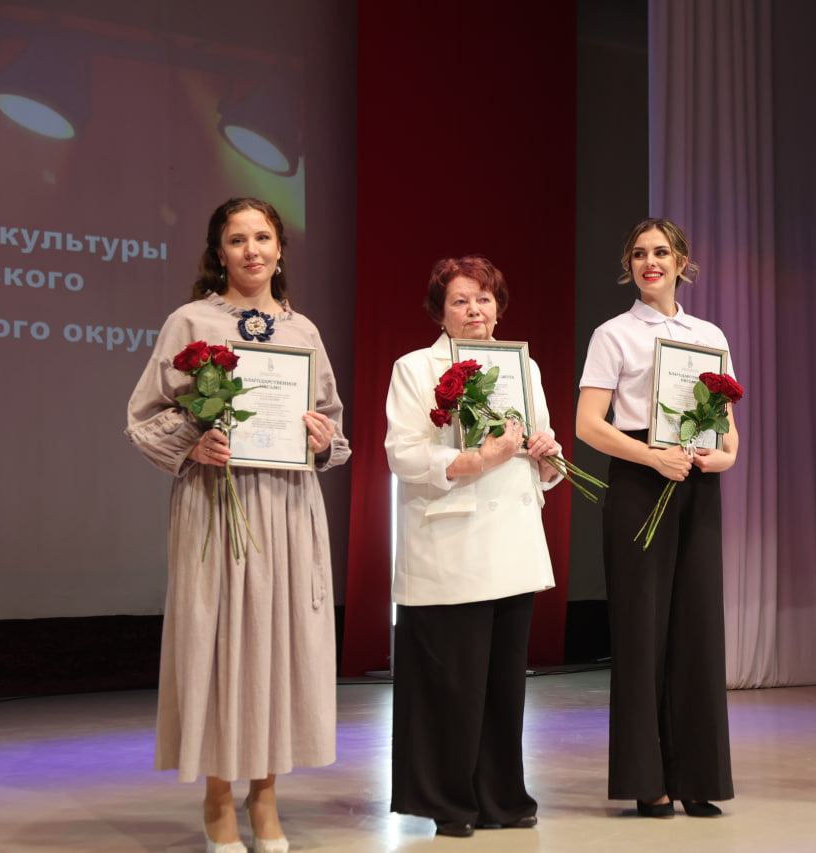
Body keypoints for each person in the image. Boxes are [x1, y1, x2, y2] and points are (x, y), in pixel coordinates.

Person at [126, 198, 351, 853]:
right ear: (218, 252)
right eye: (236, 239)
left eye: (262, 237)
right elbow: (145, 417)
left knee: (279, 643)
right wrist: (193, 442)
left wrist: (320, 439)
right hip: (216, 500)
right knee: (218, 642)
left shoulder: (303, 330)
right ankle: (219, 795)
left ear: (280, 249)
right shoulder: (190, 321)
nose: (251, 250)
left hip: (287, 505)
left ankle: (266, 794)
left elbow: (332, 425)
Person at [385, 255, 561, 838]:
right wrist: (476, 459)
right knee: (451, 686)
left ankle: (500, 798)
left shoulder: (523, 366)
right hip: (449, 544)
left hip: (512, 543)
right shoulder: (415, 368)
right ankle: (449, 802)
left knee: (503, 686)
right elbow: (404, 454)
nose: (474, 310)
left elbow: (543, 455)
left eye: (483, 299)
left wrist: (548, 456)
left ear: (498, 308)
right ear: (440, 311)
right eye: (459, 300)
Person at [576, 218, 738, 818]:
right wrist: (652, 456)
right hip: (640, 481)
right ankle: (647, 780)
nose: (651, 262)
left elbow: (728, 431)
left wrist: (720, 457)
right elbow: (587, 425)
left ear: (681, 263)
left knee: (697, 629)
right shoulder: (612, 334)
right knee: (642, 633)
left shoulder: (709, 335)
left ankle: (697, 777)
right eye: (640, 253)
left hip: (696, 483)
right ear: (629, 265)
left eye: (662, 252)